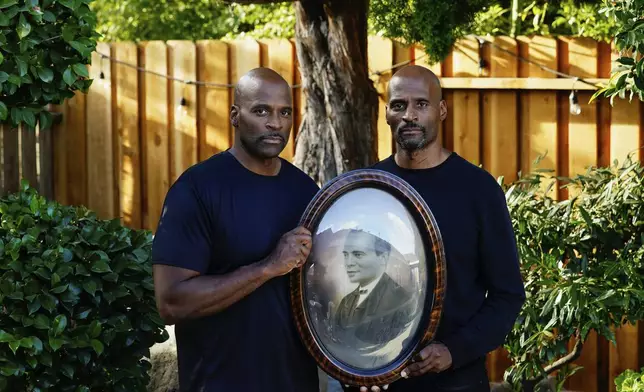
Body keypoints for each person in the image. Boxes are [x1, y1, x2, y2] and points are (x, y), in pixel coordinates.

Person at [349, 65, 526, 392]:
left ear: (441, 110)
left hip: (457, 381)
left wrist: (453, 351)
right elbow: (347, 289)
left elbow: (507, 295)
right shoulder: (368, 189)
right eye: (399, 105)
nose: (409, 115)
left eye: (421, 104)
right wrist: (355, 368)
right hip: (379, 382)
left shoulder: (478, 191)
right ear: (387, 113)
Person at [151, 67, 321, 392]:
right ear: (235, 115)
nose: (275, 123)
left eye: (285, 112)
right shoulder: (197, 189)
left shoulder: (305, 191)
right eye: (261, 111)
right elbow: (171, 303)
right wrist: (268, 267)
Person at [332, 229, 415, 347]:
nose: (348, 262)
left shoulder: (402, 302)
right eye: (346, 255)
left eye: (358, 254)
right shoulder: (346, 301)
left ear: (383, 258)